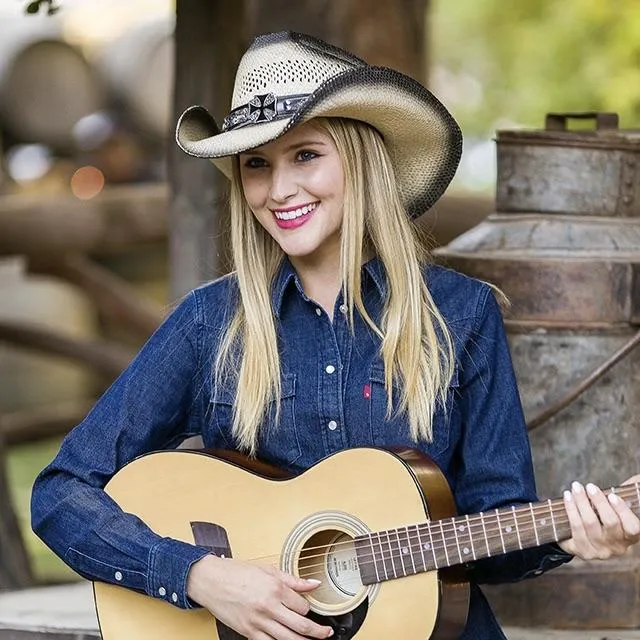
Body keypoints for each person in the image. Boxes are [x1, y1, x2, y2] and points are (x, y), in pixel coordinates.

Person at [31, 31, 640, 640]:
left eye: (305, 156)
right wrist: (199, 576)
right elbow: (61, 493)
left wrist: (569, 532)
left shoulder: (461, 315)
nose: (279, 190)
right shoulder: (211, 323)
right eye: (257, 165)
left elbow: (490, 532)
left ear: (360, 159)